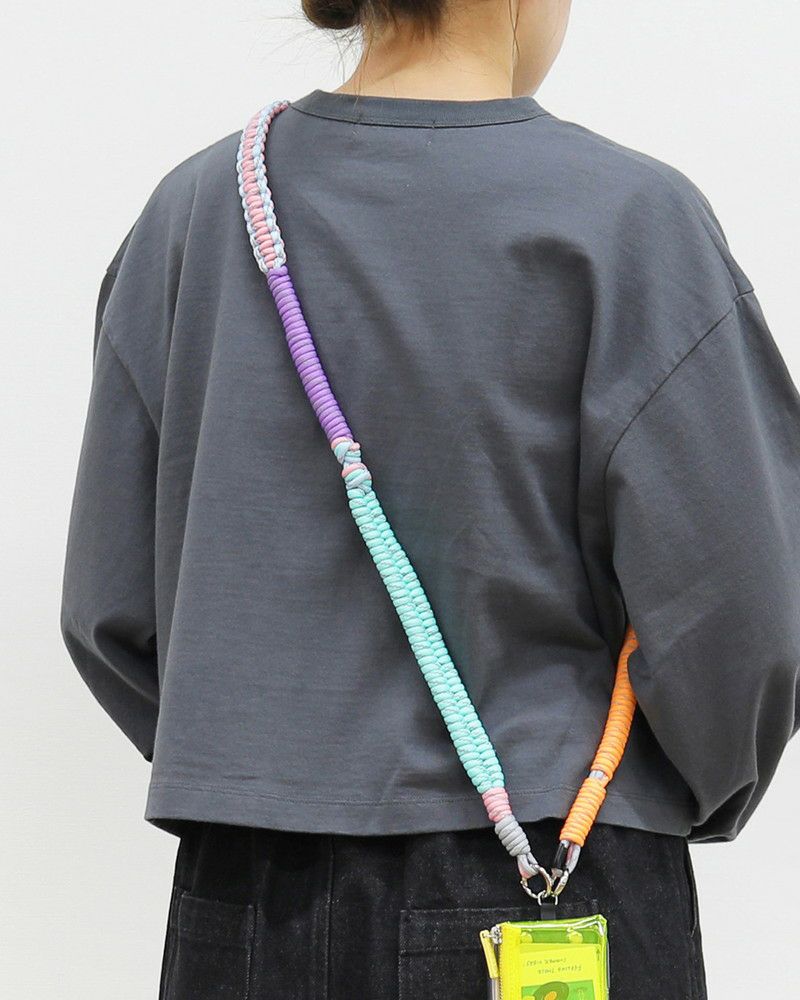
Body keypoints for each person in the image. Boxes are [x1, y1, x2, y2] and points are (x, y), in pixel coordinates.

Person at [59, 1, 800, 997]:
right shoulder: (627, 217)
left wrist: (270, 765)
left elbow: (110, 610)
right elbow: (741, 610)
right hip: (555, 861)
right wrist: (679, 783)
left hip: (244, 897)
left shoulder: (190, 215)